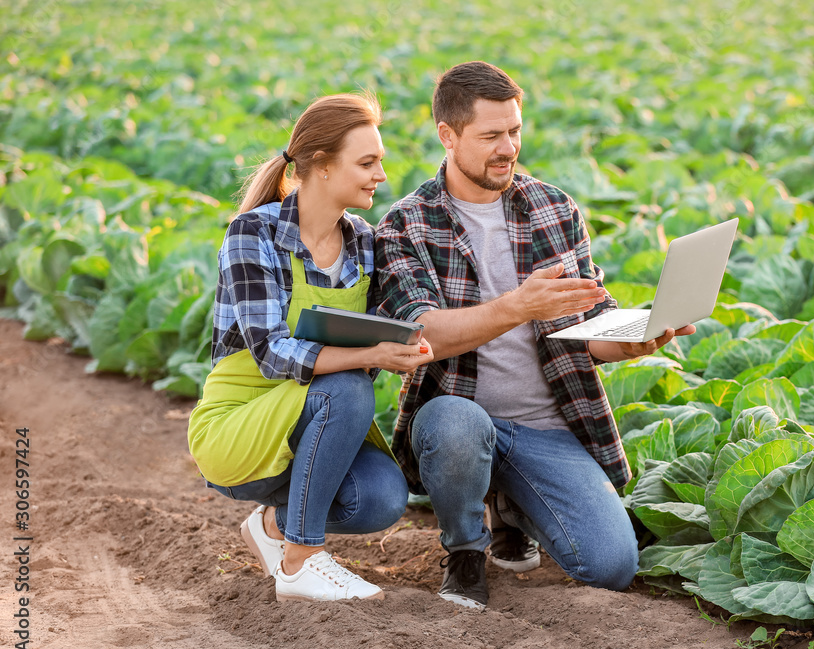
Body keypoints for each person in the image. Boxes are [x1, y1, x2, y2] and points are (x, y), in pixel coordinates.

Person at [374, 61, 695, 609]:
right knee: (455, 426)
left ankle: (511, 505)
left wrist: (634, 339)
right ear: (448, 136)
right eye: (491, 135)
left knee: (611, 566)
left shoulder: (555, 208)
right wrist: (518, 306)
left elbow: (587, 329)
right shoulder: (406, 223)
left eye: (515, 131)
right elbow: (420, 333)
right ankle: (466, 549)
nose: (508, 147)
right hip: (459, 416)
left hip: (549, 426)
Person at [188, 92, 433, 603]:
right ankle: (301, 562)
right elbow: (273, 354)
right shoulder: (252, 234)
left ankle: (275, 528)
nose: (381, 175)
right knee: (346, 389)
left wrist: (405, 345)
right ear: (320, 166)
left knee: (382, 498)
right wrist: (370, 355)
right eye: (367, 162)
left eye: (380, 162)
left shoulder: (365, 242)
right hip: (240, 421)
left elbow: (390, 324)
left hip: (310, 420)